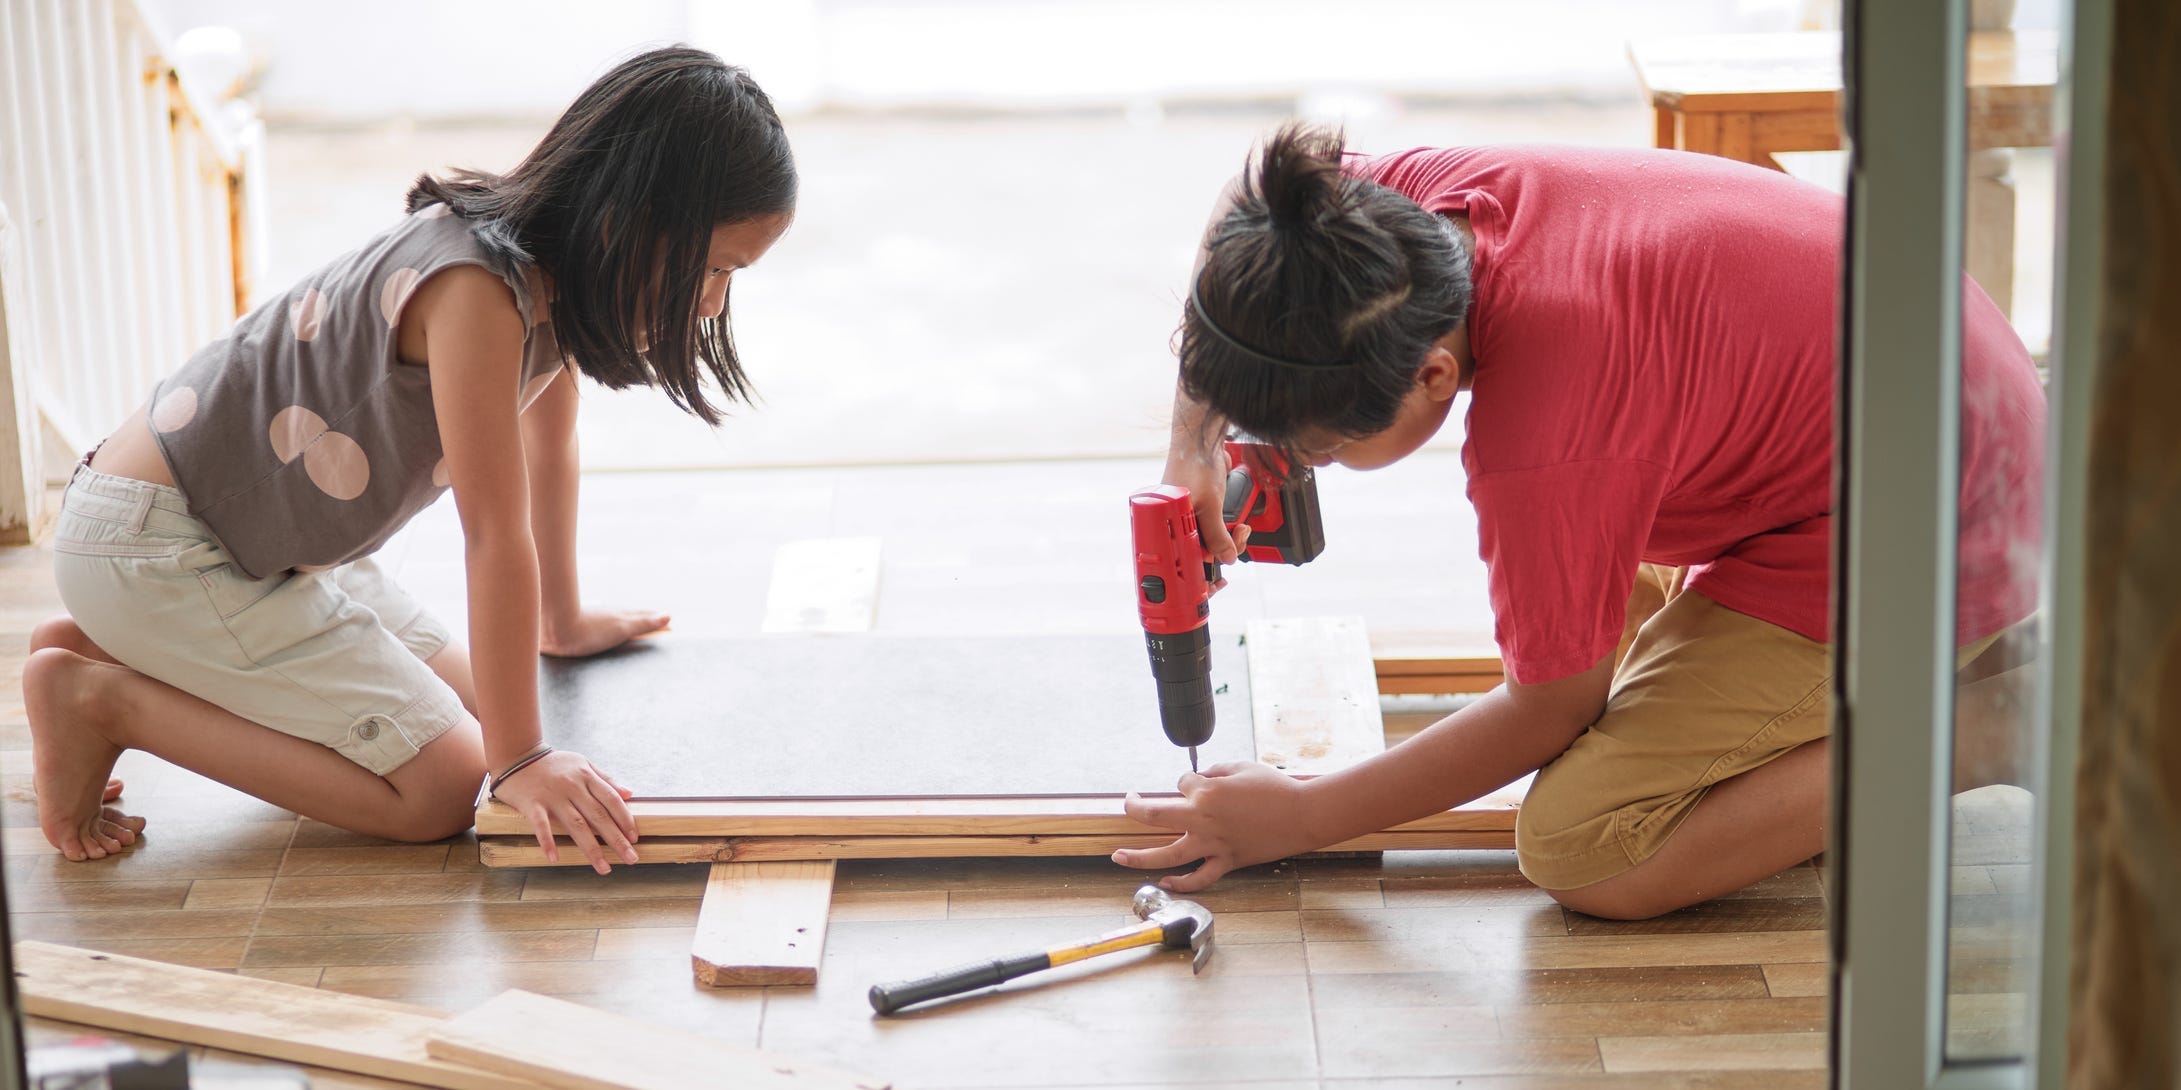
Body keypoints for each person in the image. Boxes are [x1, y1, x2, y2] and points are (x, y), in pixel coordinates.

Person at [1114, 124, 2045, 918]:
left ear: (1433, 375)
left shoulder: (1547, 432)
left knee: (1589, 847)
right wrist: (1189, 447)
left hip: (1941, 517)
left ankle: (1995, 723)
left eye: (1319, 447)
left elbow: (1547, 709)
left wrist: (1302, 817)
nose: (1299, 463)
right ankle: (1924, 674)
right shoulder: (1386, 224)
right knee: (1599, 649)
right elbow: (1244, 203)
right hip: (1894, 407)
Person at [23, 46, 796, 875]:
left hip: (262, 546)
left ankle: (103, 641)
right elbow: (494, 535)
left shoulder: (552, 279)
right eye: (714, 267)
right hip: (164, 550)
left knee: (480, 699)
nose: (714, 301)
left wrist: (559, 623)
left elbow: (549, 447)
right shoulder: (476, 291)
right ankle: (97, 699)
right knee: (447, 783)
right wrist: (522, 761)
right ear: (631, 219)